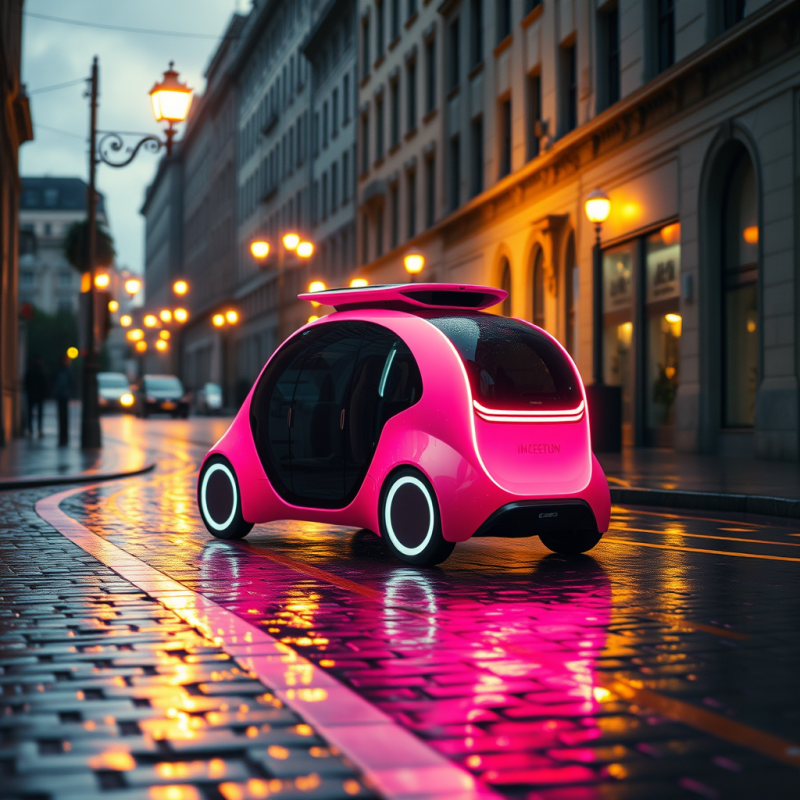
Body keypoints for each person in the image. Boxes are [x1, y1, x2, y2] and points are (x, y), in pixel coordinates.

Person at [51, 355, 74, 446]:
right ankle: (63, 438)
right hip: (62, 396)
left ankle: (64, 438)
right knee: (62, 418)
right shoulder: (65, 370)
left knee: (63, 418)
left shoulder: (62, 370)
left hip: (63, 396)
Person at [24, 358, 47, 438]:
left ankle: (31, 429)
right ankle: (39, 429)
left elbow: (26, 382)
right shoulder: (41, 371)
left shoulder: (30, 370)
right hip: (39, 395)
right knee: (39, 414)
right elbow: (44, 384)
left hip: (32, 394)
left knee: (30, 413)